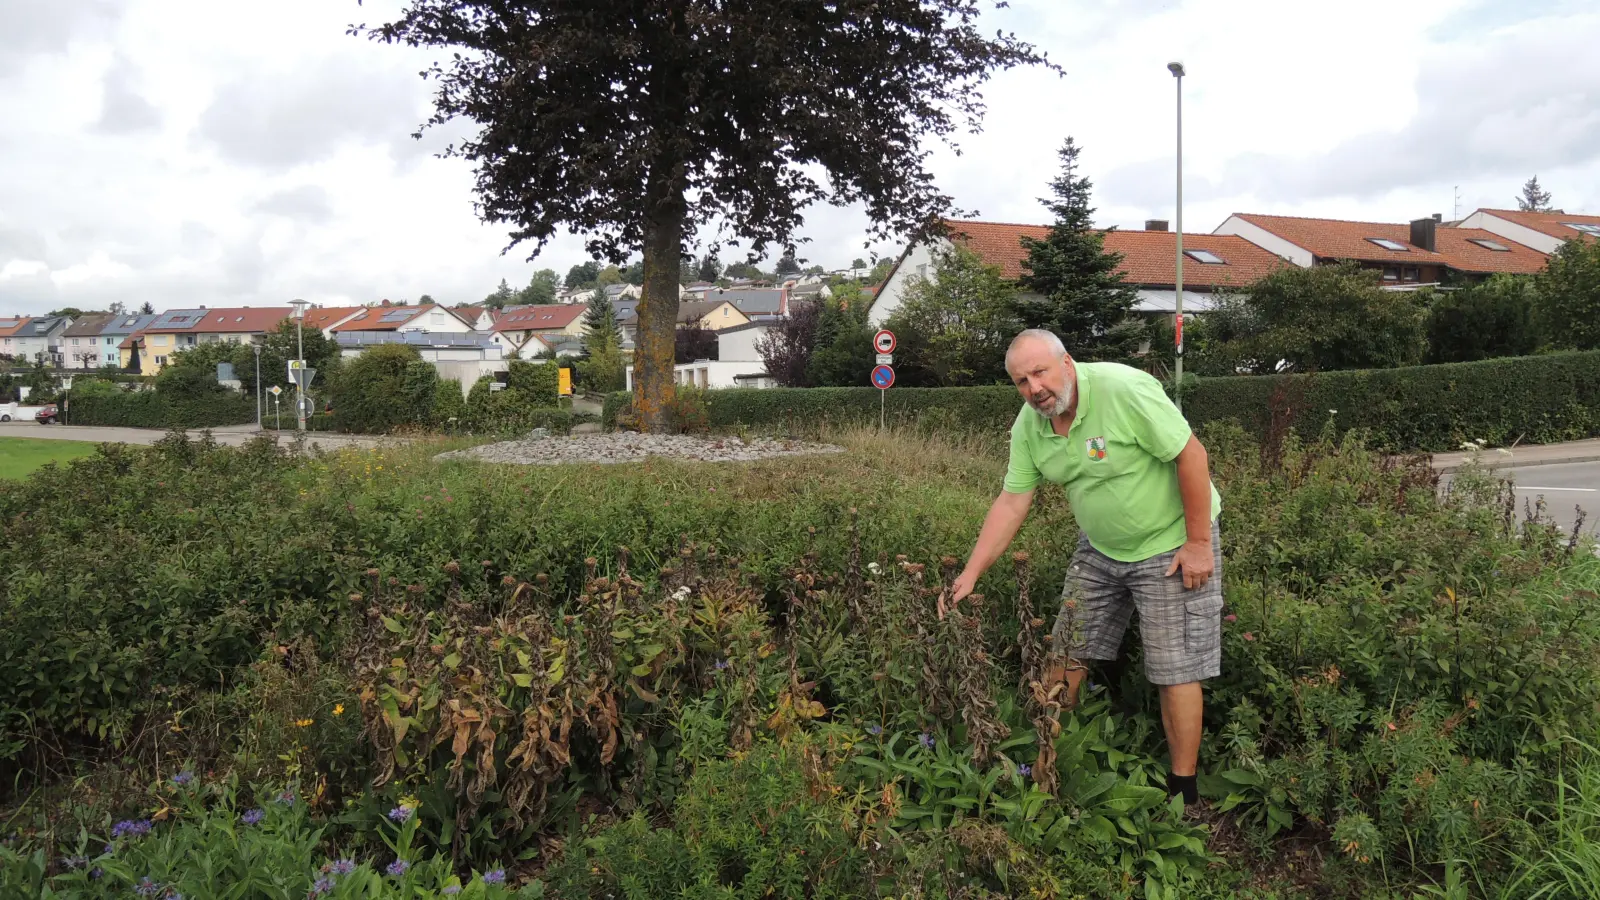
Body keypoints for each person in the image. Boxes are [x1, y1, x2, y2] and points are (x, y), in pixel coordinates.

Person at [947, 329, 1222, 807]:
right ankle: (1054, 760)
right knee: (1066, 650)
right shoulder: (1031, 425)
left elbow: (1190, 455)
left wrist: (1198, 543)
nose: (1034, 389)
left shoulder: (1124, 390)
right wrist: (971, 573)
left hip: (1171, 541)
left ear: (1067, 363)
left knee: (1175, 667)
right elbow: (1013, 502)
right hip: (1100, 548)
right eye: (1021, 381)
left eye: (1040, 373)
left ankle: (1185, 792)